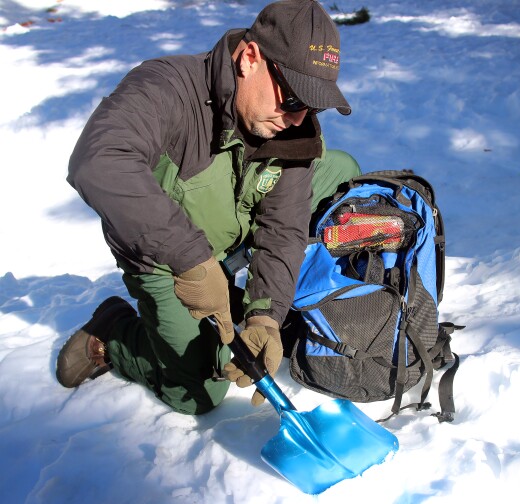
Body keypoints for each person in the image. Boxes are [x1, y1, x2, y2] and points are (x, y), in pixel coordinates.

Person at [55, 0, 361, 415]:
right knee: (198, 393)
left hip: (230, 232)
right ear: (250, 59)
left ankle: (258, 294)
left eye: (313, 104)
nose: (298, 117)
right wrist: (191, 259)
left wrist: (266, 315)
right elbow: (99, 160)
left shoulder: (290, 124)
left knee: (339, 171)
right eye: (292, 99)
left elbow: (285, 226)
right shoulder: (167, 87)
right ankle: (115, 335)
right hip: (161, 256)